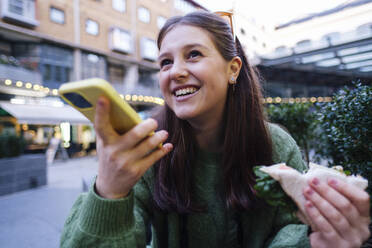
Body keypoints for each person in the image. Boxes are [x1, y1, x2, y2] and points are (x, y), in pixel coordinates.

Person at [60, 11, 370, 247]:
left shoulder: (277, 144)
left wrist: (320, 237)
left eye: (193, 55)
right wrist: (109, 191)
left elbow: (293, 227)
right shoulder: (148, 148)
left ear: (232, 69)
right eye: (165, 62)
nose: (176, 72)